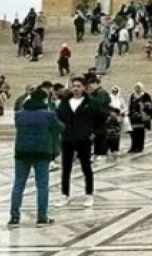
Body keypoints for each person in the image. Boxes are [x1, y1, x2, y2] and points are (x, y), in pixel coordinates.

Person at [9, 89, 63, 227]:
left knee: (18, 184)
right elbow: (60, 127)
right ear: (44, 100)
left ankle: (14, 216)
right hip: (41, 152)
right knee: (42, 185)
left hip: (22, 152)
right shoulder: (48, 115)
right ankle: (42, 216)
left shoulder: (19, 114)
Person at [55, 77, 100, 208]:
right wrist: (61, 131)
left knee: (86, 167)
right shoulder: (65, 102)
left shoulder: (91, 102)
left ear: (84, 88)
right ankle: (65, 194)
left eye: (79, 86)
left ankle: (89, 194)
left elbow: (101, 119)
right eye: (74, 86)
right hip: (68, 138)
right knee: (66, 168)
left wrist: (93, 134)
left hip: (83, 139)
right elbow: (58, 117)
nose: (76, 88)